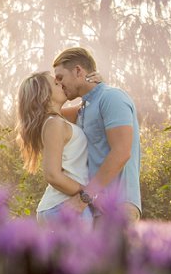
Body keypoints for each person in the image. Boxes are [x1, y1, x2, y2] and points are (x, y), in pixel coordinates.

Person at [52, 47, 141, 222]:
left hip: (118, 208)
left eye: (60, 78)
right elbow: (50, 114)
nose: (59, 83)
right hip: (95, 209)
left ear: (78, 70)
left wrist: (84, 197)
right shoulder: (84, 108)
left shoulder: (112, 98)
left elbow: (122, 152)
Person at [17, 71, 95, 225]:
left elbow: (91, 104)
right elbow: (52, 175)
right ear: (44, 95)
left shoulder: (58, 120)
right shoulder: (54, 124)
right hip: (66, 206)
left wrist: (92, 82)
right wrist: (87, 193)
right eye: (55, 83)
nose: (61, 83)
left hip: (63, 205)